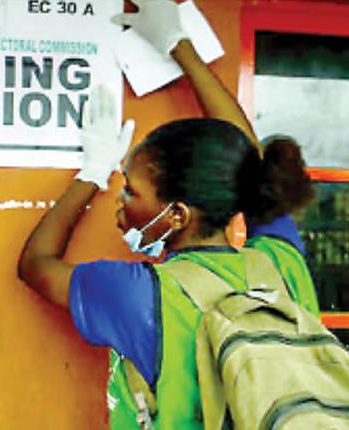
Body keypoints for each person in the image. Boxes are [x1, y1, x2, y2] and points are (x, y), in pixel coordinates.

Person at [17, 1, 319, 429]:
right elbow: (246, 158)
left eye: (132, 190)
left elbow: (35, 264)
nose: (121, 199)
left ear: (176, 214)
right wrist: (180, 47)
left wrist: (92, 173)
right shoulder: (282, 263)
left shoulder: (141, 295)